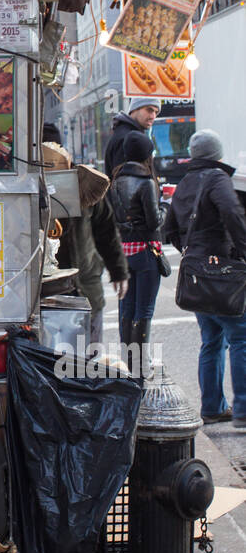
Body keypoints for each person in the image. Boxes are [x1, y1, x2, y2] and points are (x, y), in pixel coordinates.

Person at [164, 129, 246, 425]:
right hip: (221, 271)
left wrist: (193, 253)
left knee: (211, 340)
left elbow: (169, 229)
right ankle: (243, 409)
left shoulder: (184, 182)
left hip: (197, 274)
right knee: (240, 338)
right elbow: (232, 214)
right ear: (217, 153)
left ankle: (212, 407)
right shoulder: (217, 178)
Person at [42, 127, 128, 347]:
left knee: (89, 359)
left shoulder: (85, 184)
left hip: (85, 285)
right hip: (43, 295)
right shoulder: (27, 186)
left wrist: (118, 271)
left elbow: (106, 232)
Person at [108, 130, 164, 380]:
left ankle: (130, 366)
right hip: (145, 251)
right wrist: (163, 210)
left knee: (126, 309)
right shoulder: (146, 182)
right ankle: (141, 368)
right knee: (144, 311)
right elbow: (154, 222)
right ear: (147, 155)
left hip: (123, 253)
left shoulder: (114, 180)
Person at [104, 96, 161, 178]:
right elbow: (124, 183)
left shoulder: (129, 134)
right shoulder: (127, 138)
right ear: (134, 109)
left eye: (156, 112)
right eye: (149, 110)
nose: (153, 116)